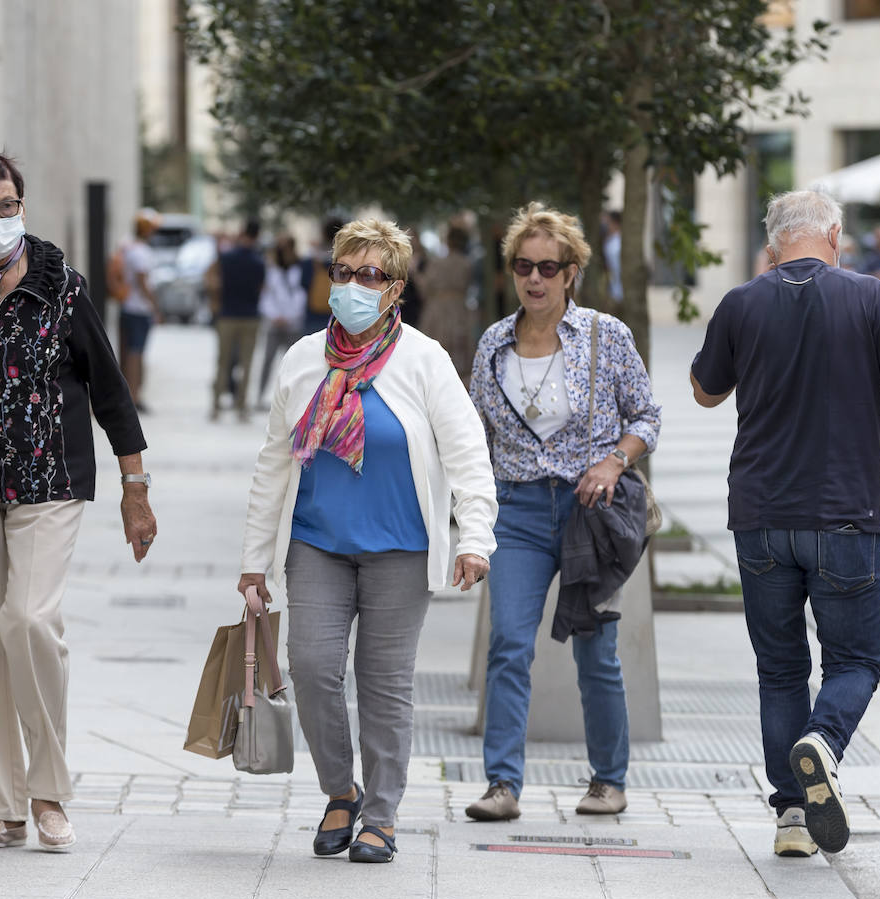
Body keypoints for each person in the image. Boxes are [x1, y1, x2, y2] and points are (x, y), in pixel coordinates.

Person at [690, 189, 880, 858]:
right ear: (834, 235)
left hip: (759, 517)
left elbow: (705, 390)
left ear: (774, 241)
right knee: (856, 661)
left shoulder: (742, 303)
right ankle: (824, 742)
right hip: (847, 516)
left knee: (780, 671)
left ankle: (791, 818)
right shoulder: (869, 298)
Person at [0, 153, 157, 851]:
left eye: (7, 204)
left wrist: (135, 490)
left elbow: (110, 393)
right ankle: (1, 807)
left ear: (23, 204)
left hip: (50, 481)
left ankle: (47, 791)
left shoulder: (62, 288)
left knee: (27, 619)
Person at [239, 218, 497, 864]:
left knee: (384, 684)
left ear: (396, 288)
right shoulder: (302, 361)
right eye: (344, 273)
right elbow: (273, 463)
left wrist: (475, 538)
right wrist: (253, 563)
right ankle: (341, 790)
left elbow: (467, 453)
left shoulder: (423, 359)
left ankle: (381, 815)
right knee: (313, 668)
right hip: (317, 543)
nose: (353, 285)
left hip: (400, 549)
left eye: (370, 275)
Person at [465, 201, 661, 823]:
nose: (535, 278)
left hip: (590, 513)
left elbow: (647, 418)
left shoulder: (606, 336)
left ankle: (608, 780)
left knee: (595, 651)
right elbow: (475, 436)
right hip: (518, 511)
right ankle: (503, 784)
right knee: (508, 644)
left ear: (572, 271)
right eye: (524, 265)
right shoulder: (494, 344)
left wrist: (615, 462)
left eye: (549, 266)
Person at [207, 219, 266, 422]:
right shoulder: (259, 261)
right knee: (246, 363)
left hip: (227, 314)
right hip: (250, 316)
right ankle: (241, 406)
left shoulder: (227, 257)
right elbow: (261, 288)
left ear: (242, 233)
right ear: (257, 236)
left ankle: (215, 405)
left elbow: (213, 278)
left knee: (223, 361)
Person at [256, 233, 307, 406]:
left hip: (293, 324)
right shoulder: (272, 270)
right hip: (274, 323)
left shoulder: (299, 269)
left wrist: (290, 316)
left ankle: (292, 400)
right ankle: (260, 396)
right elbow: (266, 297)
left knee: (293, 363)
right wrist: (274, 315)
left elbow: (302, 295)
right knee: (268, 360)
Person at [118, 209, 162, 411]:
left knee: (129, 352)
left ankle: (129, 395)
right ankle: (134, 397)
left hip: (128, 307)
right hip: (139, 309)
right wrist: (155, 306)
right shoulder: (140, 252)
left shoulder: (128, 247)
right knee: (136, 354)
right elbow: (143, 282)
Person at [418, 224, 475, 378]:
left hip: (438, 308)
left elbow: (425, 287)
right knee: (459, 348)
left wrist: (416, 273)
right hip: (459, 308)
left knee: (437, 346)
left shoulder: (438, 263)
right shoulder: (466, 263)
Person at [301, 216, 344, 337]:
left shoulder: (311, 260)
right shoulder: (346, 262)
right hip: (337, 317)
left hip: (313, 315)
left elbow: (303, 284)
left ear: (323, 234)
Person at [601, 210, 623, 304]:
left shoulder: (617, 244)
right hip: (614, 290)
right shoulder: (610, 241)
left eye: (607, 222)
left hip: (618, 291)